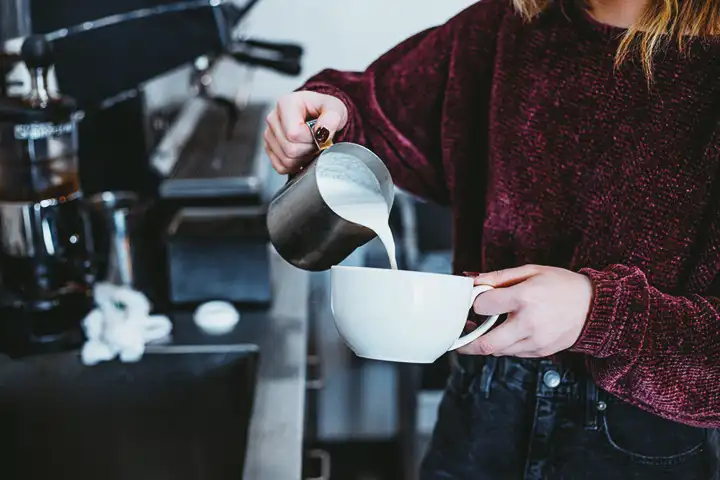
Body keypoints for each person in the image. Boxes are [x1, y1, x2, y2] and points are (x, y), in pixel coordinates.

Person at [264, 0, 720, 478]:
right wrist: (330, 115)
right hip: (481, 410)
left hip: (644, 441)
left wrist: (601, 315)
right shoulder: (507, 26)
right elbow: (377, 115)